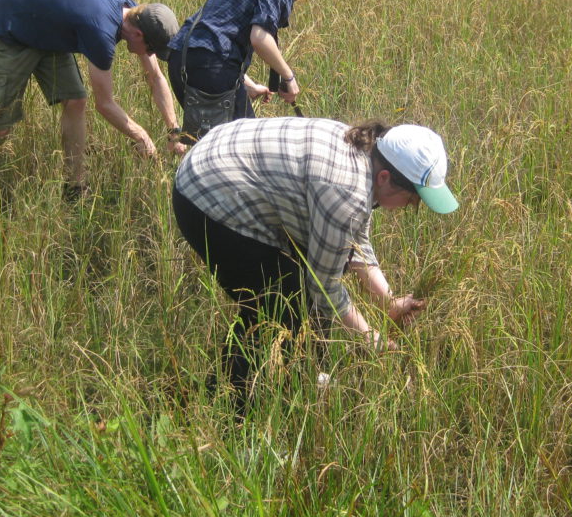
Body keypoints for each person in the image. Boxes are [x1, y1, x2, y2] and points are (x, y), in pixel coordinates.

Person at [172, 116, 459, 412]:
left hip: (215, 164)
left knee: (289, 300)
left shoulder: (364, 154)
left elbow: (354, 241)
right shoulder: (346, 192)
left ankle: (287, 377)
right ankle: (232, 409)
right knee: (281, 310)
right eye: (412, 200)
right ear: (385, 177)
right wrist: (371, 340)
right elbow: (325, 287)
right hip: (206, 194)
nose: (410, 207)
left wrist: (389, 301)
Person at [0, 0, 188, 198]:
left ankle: (75, 187)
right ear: (137, 33)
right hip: (11, 27)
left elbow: (154, 77)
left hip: (48, 30)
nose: (151, 54)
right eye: (152, 48)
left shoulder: (136, 15)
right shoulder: (101, 33)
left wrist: (174, 131)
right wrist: (141, 136)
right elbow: (104, 104)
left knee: (75, 100)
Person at [166, 0, 331, 138]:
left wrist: (247, 84)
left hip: (180, 59)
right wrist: (289, 77)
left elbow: (215, 34)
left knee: (211, 144)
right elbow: (260, 37)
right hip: (210, 69)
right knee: (242, 147)